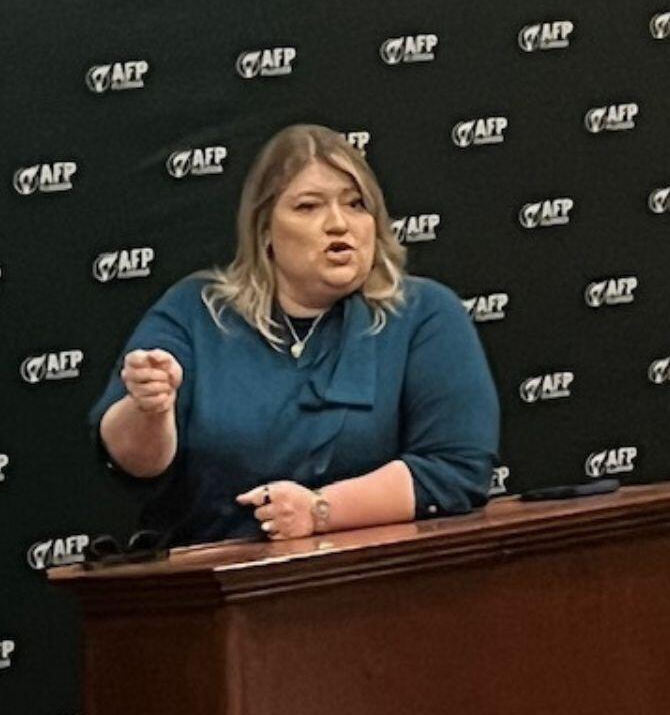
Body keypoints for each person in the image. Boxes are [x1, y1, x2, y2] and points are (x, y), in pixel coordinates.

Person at [88, 124, 499, 546]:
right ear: (264, 229)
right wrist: (149, 410)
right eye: (309, 206)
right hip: (218, 573)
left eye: (355, 204)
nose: (338, 223)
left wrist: (321, 511)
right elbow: (131, 463)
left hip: (377, 576)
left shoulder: (424, 314)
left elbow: (456, 469)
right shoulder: (196, 311)